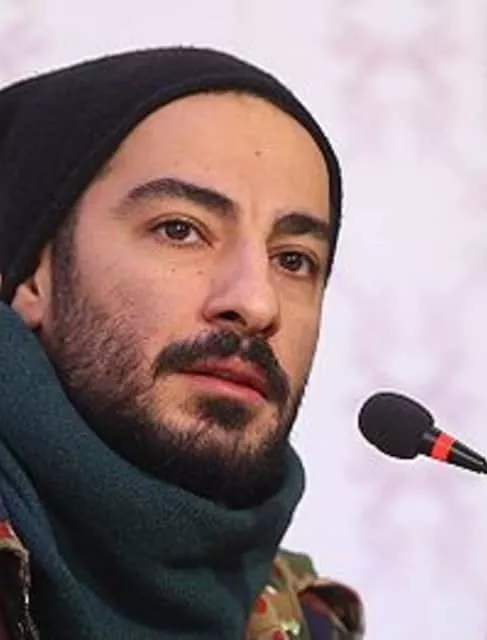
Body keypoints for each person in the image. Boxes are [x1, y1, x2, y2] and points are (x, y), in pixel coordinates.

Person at [0, 47, 364, 639]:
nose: (257, 303)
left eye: (294, 260)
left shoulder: (311, 621)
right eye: (181, 230)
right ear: (33, 274)